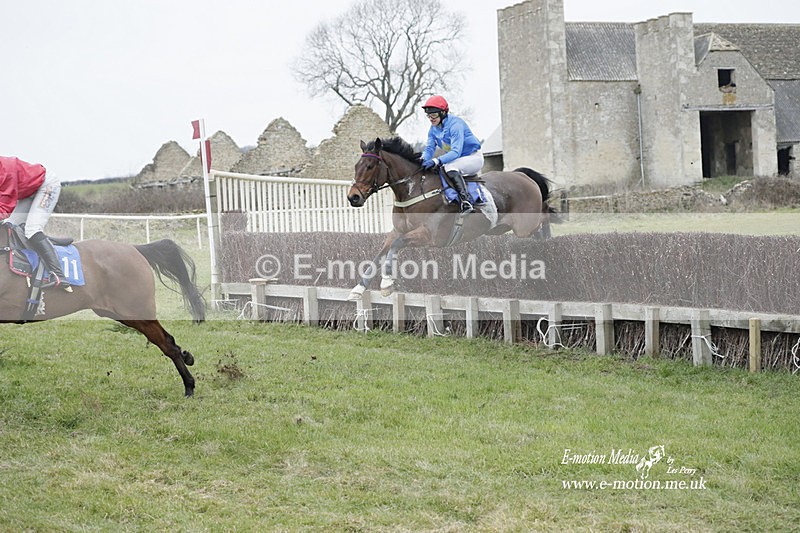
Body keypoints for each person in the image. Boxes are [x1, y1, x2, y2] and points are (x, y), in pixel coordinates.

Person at [0, 156, 71, 291]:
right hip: (26, 191)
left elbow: (5, 209)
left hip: (46, 186)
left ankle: (58, 275)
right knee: (10, 226)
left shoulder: (5, 171)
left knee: (32, 229)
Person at [420, 95, 484, 213]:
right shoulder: (433, 129)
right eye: (428, 115)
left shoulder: (456, 125)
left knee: (449, 167)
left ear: (443, 112)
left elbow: (456, 152)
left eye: (433, 115)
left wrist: (436, 160)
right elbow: (429, 148)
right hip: (458, 159)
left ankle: (466, 201)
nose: (431, 118)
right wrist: (422, 160)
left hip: (473, 157)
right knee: (440, 168)